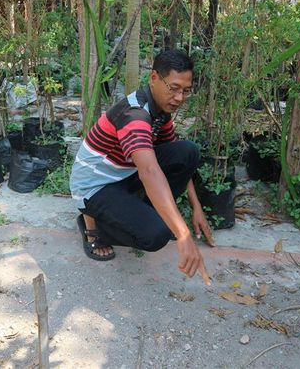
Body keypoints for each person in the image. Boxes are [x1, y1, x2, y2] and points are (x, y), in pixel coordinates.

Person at [69, 49, 214, 285]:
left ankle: (137, 213)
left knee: (188, 152)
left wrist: (197, 208)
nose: (179, 98)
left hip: (122, 175)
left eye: (186, 91)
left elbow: (173, 155)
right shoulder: (135, 115)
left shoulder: (161, 112)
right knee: (157, 235)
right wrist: (183, 234)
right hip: (95, 188)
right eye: (174, 88)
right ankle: (94, 225)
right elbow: (149, 172)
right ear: (154, 78)